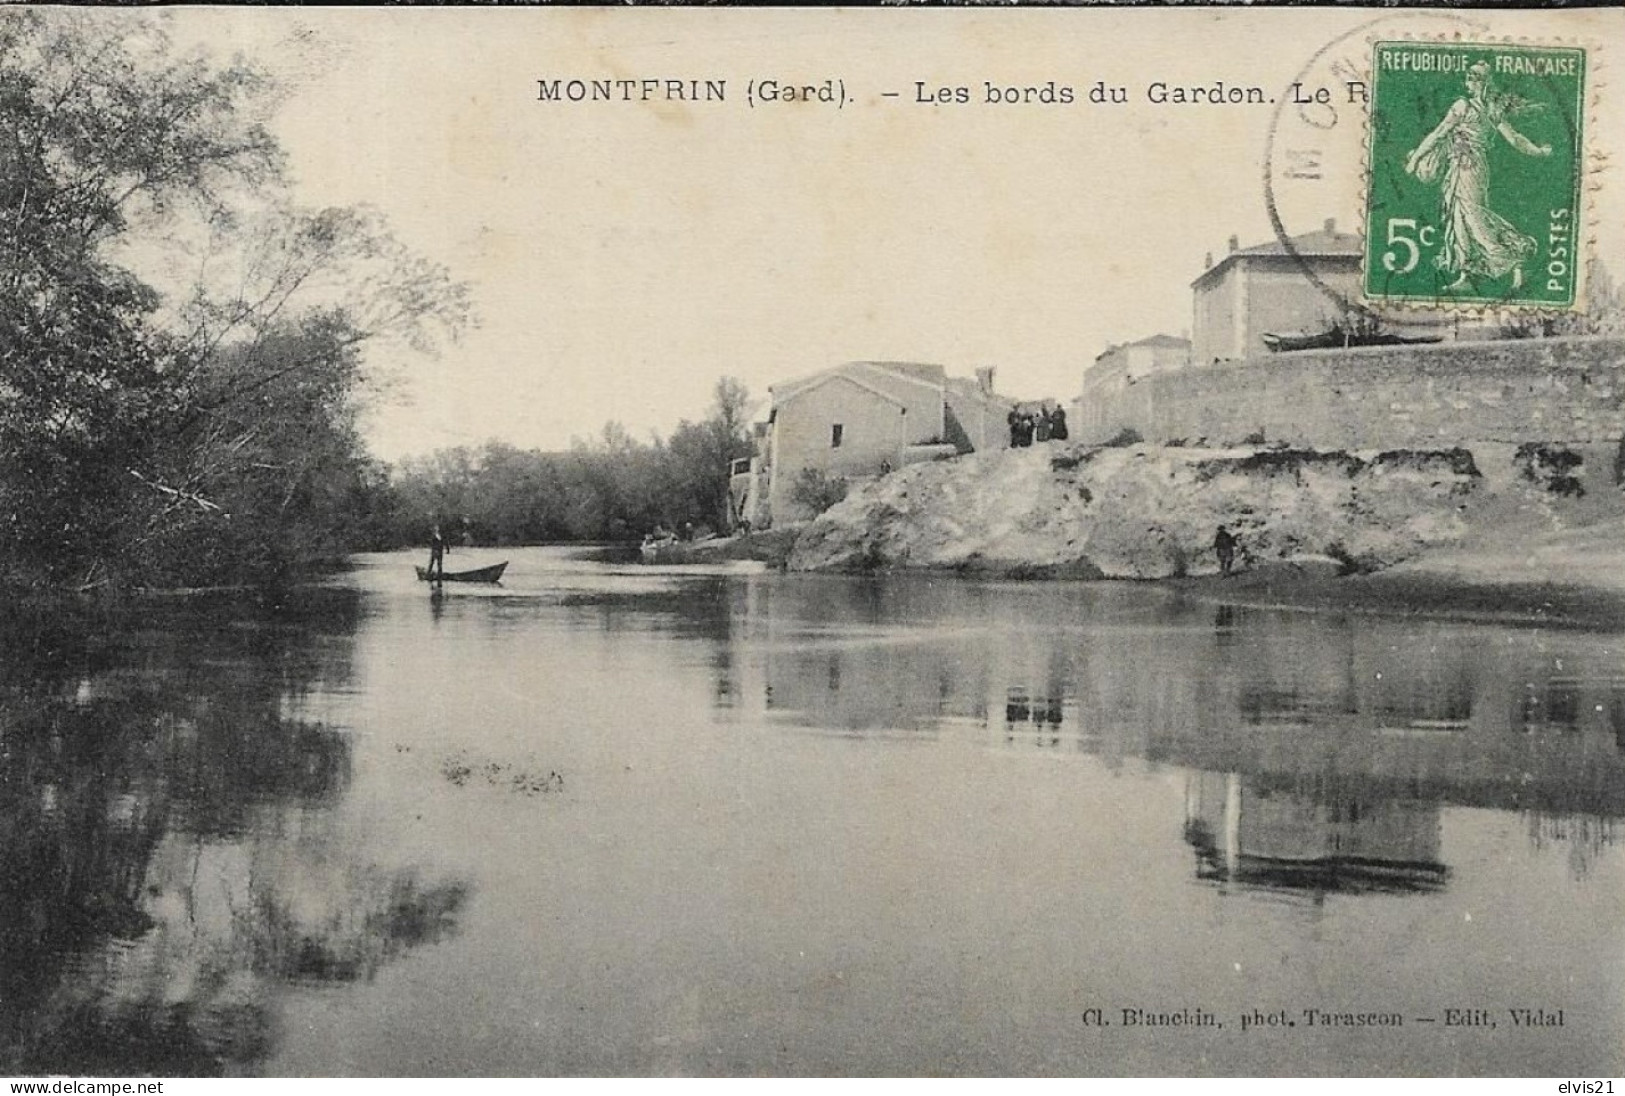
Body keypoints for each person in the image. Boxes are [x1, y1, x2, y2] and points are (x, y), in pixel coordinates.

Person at [1405, 60, 1551, 292]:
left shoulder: (1464, 106)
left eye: (1472, 79)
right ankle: (1467, 276)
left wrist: (1414, 159)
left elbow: (1439, 133)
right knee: (1459, 218)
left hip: (1469, 168)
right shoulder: (1490, 110)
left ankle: (1515, 259)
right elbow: (1515, 139)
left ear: (1482, 82)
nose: (1468, 83)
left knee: (1474, 218)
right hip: (1465, 167)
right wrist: (1539, 151)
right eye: (1467, 78)